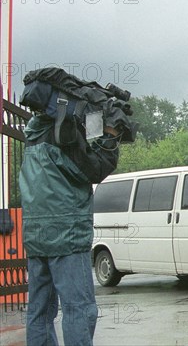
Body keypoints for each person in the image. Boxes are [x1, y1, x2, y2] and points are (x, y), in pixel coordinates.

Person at [19, 113, 120, 345]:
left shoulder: (33, 134)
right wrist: (111, 135)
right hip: (67, 235)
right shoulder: (65, 132)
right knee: (79, 310)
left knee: (39, 311)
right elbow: (96, 169)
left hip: (36, 234)